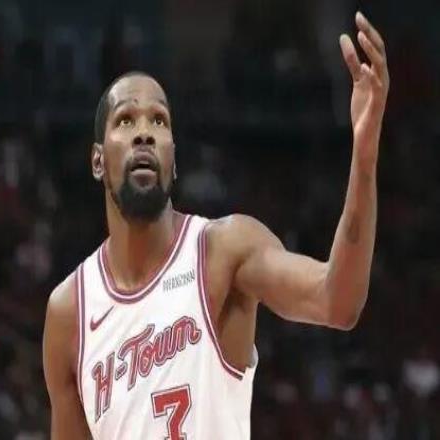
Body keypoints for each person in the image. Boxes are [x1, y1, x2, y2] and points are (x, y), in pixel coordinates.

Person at [43, 12, 389, 440]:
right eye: (126, 120)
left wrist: (365, 152)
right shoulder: (69, 312)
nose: (144, 133)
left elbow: (338, 301)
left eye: (159, 120)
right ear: (98, 160)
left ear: (174, 158)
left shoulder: (223, 251)